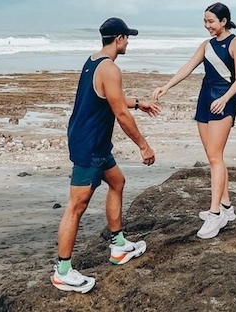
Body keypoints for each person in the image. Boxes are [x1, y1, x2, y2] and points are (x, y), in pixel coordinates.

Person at [52, 17, 160, 293]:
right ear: (119, 39)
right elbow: (119, 113)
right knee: (76, 205)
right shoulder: (110, 68)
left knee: (117, 182)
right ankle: (62, 271)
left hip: (93, 142)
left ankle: (119, 246)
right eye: (127, 38)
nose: (128, 43)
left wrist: (139, 103)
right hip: (89, 145)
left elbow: (110, 99)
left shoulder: (93, 61)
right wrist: (143, 145)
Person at [151, 2, 236, 239]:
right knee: (213, 156)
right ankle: (226, 207)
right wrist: (166, 86)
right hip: (205, 99)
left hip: (223, 100)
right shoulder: (206, 45)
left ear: (224, 21)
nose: (207, 25)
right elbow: (188, 67)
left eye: (211, 21)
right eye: (205, 21)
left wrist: (224, 98)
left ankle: (215, 214)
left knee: (215, 157)